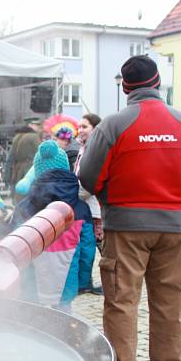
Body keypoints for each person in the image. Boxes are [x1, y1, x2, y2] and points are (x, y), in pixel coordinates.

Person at [78, 55, 181, 361]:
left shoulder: (113, 125)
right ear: (157, 82)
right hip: (175, 228)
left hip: (126, 226)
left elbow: (90, 178)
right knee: (170, 300)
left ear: (125, 87)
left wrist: (109, 199)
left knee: (122, 301)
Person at [0, 140, 90, 312]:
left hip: (32, 280)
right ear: (66, 168)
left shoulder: (24, 207)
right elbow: (87, 249)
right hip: (66, 280)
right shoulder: (80, 208)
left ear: (37, 171)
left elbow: (15, 245)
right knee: (64, 315)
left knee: (36, 319)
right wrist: (83, 280)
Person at [75, 113, 103, 295]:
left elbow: (91, 181)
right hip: (86, 207)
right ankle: (86, 282)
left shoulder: (96, 149)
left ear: (95, 129)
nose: (80, 130)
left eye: (84, 127)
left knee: (103, 249)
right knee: (89, 248)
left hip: (95, 208)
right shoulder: (84, 148)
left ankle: (116, 284)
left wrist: (74, 195)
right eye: (80, 126)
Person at [7, 117, 42, 201]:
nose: (38, 127)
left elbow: (11, 156)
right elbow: (40, 153)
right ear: (30, 125)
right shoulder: (33, 136)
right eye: (36, 125)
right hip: (29, 169)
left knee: (19, 195)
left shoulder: (17, 136)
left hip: (17, 170)